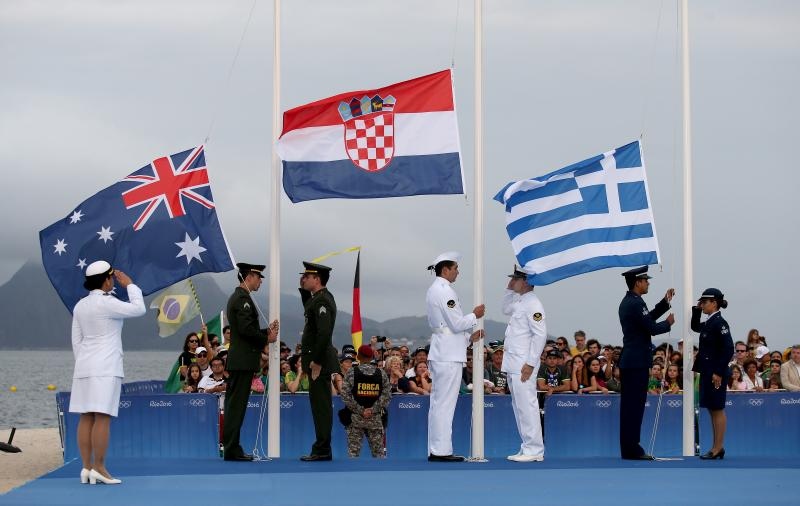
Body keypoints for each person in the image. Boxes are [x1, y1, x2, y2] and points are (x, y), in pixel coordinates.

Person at [69, 260, 146, 485]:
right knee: (102, 417)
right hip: (105, 367)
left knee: (86, 416)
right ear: (107, 279)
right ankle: (100, 468)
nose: (113, 281)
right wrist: (130, 285)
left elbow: (77, 341)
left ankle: (85, 468)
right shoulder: (107, 303)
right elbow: (138, 309)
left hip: (84, 366)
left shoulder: (80, 305)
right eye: (111, 278)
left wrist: (84, 362)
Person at [425, 251, 484, 462]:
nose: (458, 272)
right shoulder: (445, 291)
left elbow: (448, 328)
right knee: (444, 404)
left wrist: (470, 339)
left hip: (445, 350)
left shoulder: (435, 290)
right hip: (447, 355)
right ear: (445, 270)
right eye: (455, 268)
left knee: (438, 403)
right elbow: (456, 324)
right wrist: (474, 315)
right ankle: (441, 450)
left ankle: (436, 448)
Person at [223, 262, 279, 462]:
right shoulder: (243, 299)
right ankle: (231, 448)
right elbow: (246, 330)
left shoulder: (239, 298)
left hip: (240, 360)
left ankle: (232, 447)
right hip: (242, 360)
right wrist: (266, 338)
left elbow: (243, 330)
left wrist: (266, 332)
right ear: (248, 277)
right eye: (258, 276)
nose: (261, 280)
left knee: (235, 405)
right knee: (236, 406)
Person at [617, 266, 675, 461]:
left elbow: (646, 319)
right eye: (645, 280)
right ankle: (632, 448)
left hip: (631, 361)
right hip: (636, 362)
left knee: (629, 408)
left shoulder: (630, 302)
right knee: (634, 407)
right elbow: (650, 327)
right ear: (637, 282)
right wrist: (668, 323)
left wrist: (665, 302)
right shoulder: (635, 303)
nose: (648, 282)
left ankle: (629, 448)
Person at [501, 266, 547, 462]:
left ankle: (535, 449)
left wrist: (530, 363)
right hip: (513, 362)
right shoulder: (520, 301)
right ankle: (527, 445)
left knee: (527, 405)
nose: (513, 282)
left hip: (523, 364)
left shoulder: (533, 304)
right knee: (519, 406)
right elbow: (504, 309)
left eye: (516, 279)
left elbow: (540, 335)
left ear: (526, 281)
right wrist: (509, 289)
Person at [298, 261, 340, 462]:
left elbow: (324, 333)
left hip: (319, 363)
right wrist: (303, 287)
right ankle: (322, 447)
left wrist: (316, 361)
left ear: (317, 279)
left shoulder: (322, 301)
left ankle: (322, 449)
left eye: (307, 276)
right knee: (318, 406)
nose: (304, 278)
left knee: (321, 407)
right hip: (318, 361)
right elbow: (309, 307)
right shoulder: (318, 299)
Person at [691, 288, 734, 460]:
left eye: (704, 302)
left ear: (714, 303)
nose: (702, 305)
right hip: (708, 371)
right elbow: (695, 326)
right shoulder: (710, 321)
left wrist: (718, 371)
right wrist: (696, 309)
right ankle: (716, 447)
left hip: (716, 372)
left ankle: (718, 447)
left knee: (717, 409)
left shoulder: (720, 323)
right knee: (712, 409)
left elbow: (728, 348)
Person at [340, 345, 391, 458]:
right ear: (371, 356)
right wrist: (372, 410)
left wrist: (361, 410)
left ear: (358, 356)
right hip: (375, 420)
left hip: (355, 420)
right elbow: (386, 396)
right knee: (379, 455)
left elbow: (345, 395)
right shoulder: (381, 373)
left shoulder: (351, 372)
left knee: (353, 455)